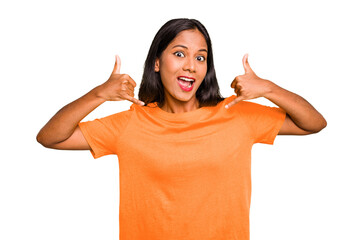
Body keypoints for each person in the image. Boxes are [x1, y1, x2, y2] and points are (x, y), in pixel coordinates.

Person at [37, 18, 326, 240]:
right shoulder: (131, 123)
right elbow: (50, 137)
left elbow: (313, 123)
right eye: (179, 54)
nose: (191, 66)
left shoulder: (236, 115)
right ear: (157, 63)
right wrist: (99, 94)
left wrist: (268, 89)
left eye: (200, 57)